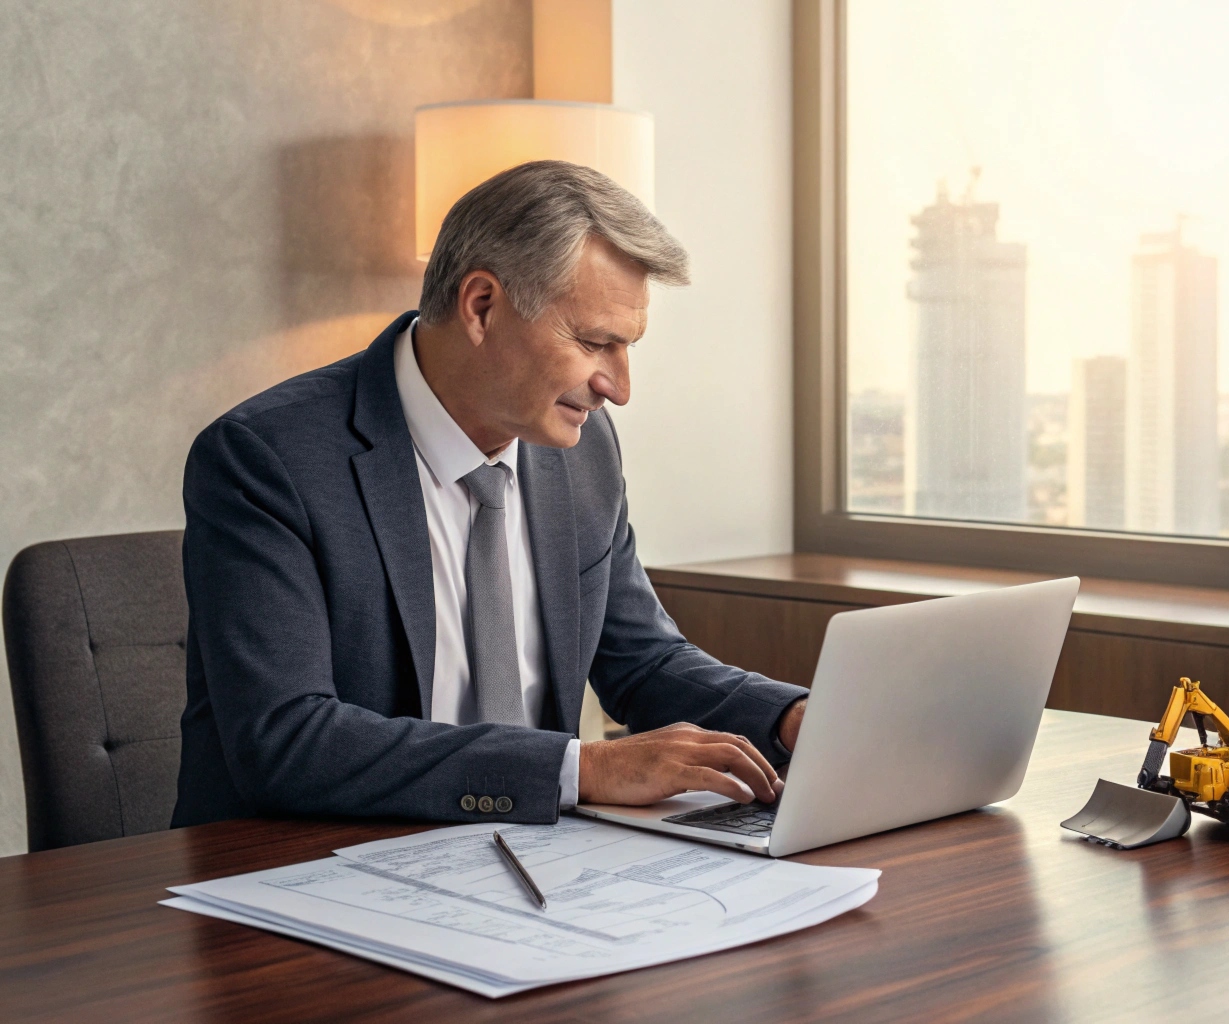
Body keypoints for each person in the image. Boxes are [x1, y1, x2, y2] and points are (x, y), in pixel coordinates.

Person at [172, 160, 809, 828]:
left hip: (533, 864)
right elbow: (287, 739)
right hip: (301, 869)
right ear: (482, 307)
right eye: (596, 343)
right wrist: (583, 770)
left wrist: (793, 718)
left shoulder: (584, 449)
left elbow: (643, 661)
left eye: (627, 348)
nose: (619, 388)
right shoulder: (266, 458)